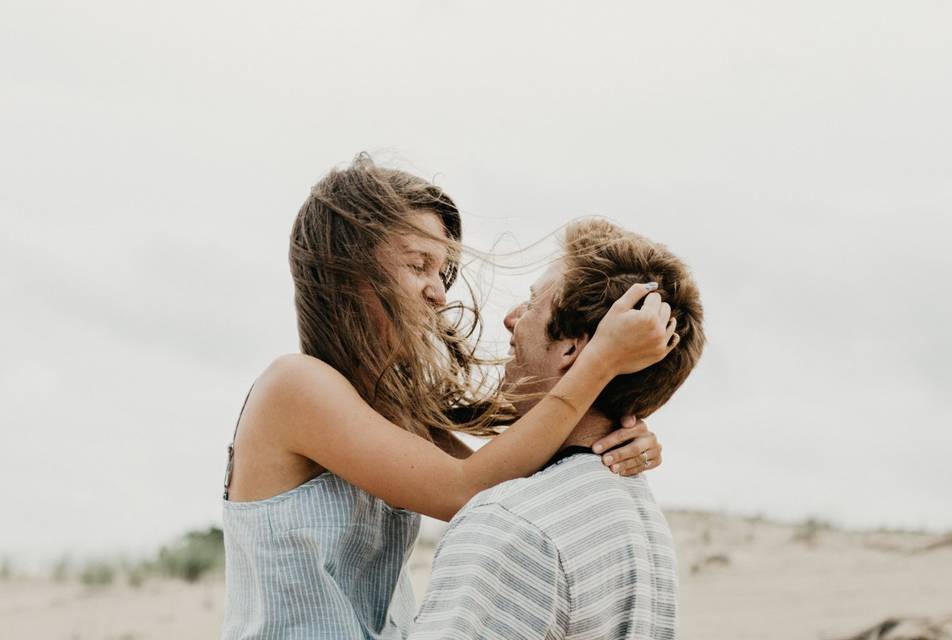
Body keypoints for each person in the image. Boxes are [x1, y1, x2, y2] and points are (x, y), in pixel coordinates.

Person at [221, 156, 678, 639]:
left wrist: (608, 438)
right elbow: (465, 488)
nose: (439, 292)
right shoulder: (295, 387)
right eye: (419, 264)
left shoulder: (395, 405)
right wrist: (598, 362)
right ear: (347, 270)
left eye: (444, 271)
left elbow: (506, 478)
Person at [409, 218, 706, 640]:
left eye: (531, 303)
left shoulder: (511, 525)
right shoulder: (646, 529)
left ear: (574, 348)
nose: (511, 319)